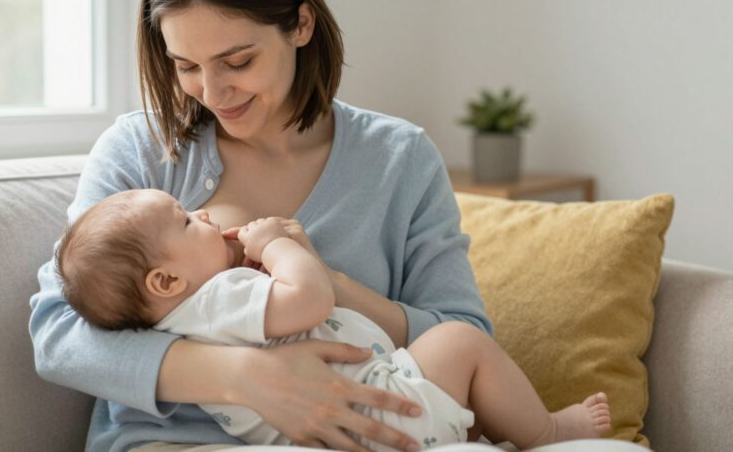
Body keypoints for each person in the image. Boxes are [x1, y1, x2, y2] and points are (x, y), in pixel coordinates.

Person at [29, 0, 486, 452]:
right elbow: (59, 333)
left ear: (301, 25)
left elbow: (463, 334)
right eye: (186, 66)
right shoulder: (141, 150)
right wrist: (247, 378)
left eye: (238, 61)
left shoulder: (400, 159)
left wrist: (329, 284)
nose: (212, 92)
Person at [54, 188, 612, 451]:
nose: (201, 212)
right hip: (378, 404)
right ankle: (549, 433)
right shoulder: (219, 297)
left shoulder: (179, 320)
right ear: (166, 282)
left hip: (350, 426)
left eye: (238, 60)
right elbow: (310, 302)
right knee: (460, 342)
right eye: (184, 220)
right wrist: (278, 247)